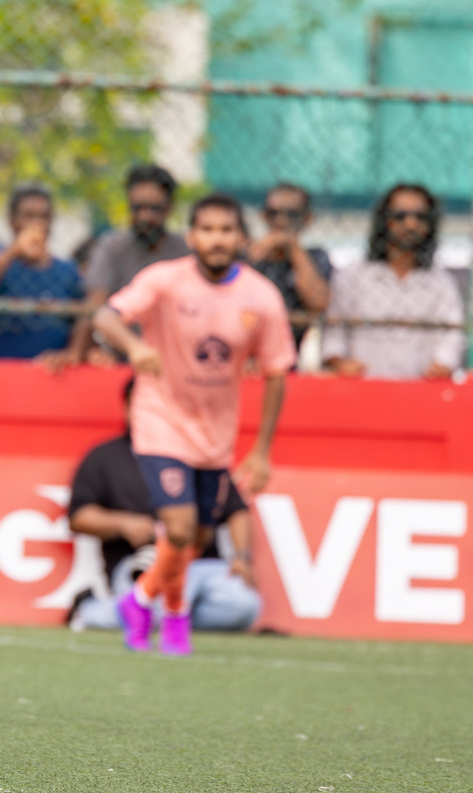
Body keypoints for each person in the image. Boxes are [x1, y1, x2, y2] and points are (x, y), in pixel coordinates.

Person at [91, 193, 292, 656]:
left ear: (241, 237)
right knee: (178, 529)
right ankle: (146, 604)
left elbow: (277, 371)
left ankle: (166, 613)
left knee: (196, 538)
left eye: (226, 230)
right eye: (207, 229)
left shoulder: (261, 297)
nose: (217, 239)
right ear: (192, 235)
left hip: (215, 436)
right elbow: (105, 316)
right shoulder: (164, 281)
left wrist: (261, 451)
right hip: (161, 418)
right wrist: (133, 346)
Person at [68, 378, 261, 634]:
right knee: (159, 602)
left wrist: (241, 558)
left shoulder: (197, 453)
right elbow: (78, 516)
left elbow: (235, 508)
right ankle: (99, 611)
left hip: (200, 563)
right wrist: (124, 523)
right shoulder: (104, 457)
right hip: (144, 561)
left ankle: (119, 612)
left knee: (244, 607)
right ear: (129, 407)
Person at [321, 183, 464, 380]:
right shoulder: (352, 276)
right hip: (362, 391)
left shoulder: (442, 283)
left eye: (420, 217)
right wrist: (339, 362)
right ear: (384, 221)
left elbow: (452, 339)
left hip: (422, 394)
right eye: (400, 216)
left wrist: (443, 365)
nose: (410, 224)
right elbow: (333, 333)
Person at [0, 183, 88, 365]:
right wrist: (15, 250)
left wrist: (72, 354)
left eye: (44, 216)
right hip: (2, 373)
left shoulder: (67, 271)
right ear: (12, 220)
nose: (38, 223)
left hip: (54, 375)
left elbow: (85, 317)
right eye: (28, 216)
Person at [75, 165, 190, 364]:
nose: (145, 216)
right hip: (121, 357)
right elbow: (94, 306)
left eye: (154, 209)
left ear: (169, 208)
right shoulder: (112, 247)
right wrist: (84, 351)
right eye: (137, 208)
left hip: (179, 359)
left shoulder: (186, 252)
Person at [246, 182, 331, 344]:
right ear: (264, 216)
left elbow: (318, 302)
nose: (281, 220)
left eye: (291, 214)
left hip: (290, 351)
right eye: (273, 213)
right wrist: (260, 251)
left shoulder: (315, 257)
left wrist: (294, 248)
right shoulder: (247, 256)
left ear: (307, 218)